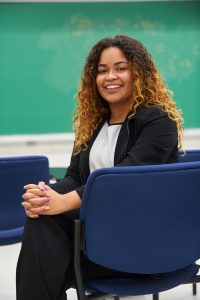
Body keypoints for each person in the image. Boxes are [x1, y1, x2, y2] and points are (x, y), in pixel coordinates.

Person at [16, 35, 183, 300]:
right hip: (96, 237)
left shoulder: (158, 120)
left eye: (121, 68)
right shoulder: (93, 125)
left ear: (138, 72)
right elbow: (73, 177)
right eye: (102, 71)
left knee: (46, 262)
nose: (110, 77)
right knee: (41, 224)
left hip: (141, 243)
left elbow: (123, 180)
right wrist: (46, 197)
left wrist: (64, 202)